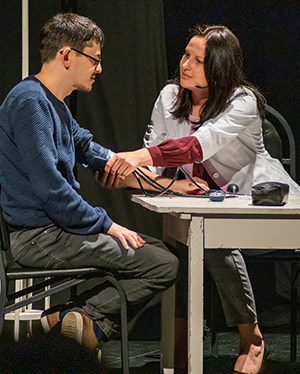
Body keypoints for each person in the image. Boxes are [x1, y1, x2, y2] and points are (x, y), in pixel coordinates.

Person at [0, 12, 209, 356]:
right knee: (163, 264)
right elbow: (53, 192)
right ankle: (84, 320)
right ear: (67, 56)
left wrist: (162, 183)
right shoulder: (29, 103)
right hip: (39, 237)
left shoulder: (53, 104)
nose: (99, 69)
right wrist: (107, 225)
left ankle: (71, 319)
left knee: (162, 253)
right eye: (94, 59)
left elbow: (91, 149)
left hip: (53, 232)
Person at [103, 25, 300, 373]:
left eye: (198, 60)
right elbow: (156, 161)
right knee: (177, 242)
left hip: (255, 204)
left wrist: (138, 159)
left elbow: (196, 146)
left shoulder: (242, 100)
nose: (186, 64)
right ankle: (179, 340)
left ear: (220, 68)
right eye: (185, 55)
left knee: (211, 240)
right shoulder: (169, 98)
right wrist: (148, 175)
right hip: (195, 203)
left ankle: (251, 339)